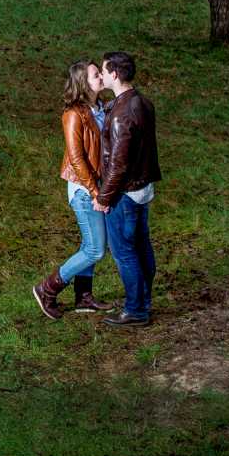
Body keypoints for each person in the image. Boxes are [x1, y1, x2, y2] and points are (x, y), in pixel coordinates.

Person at [31, 60, 112, 320]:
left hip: (97, 185)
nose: (101, 76)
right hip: (83, 189)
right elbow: (76, 159)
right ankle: (47, 288)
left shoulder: (100, 108)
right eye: (95, 74)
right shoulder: (73, 115)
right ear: (82, 83)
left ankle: (83, 297)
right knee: (96, 249)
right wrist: (93, 191)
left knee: (89, 242)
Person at [91, 51, 160, 327]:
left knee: (124, 252)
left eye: (105, 71)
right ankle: (143, 300)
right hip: (143, 188)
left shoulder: (121, 114)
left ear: (115, 75)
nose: (103, 76)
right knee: (142, 247)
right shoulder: (142, 102)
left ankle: (136, 310)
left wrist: (104, 197)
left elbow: (118, 164)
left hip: (125, 194)